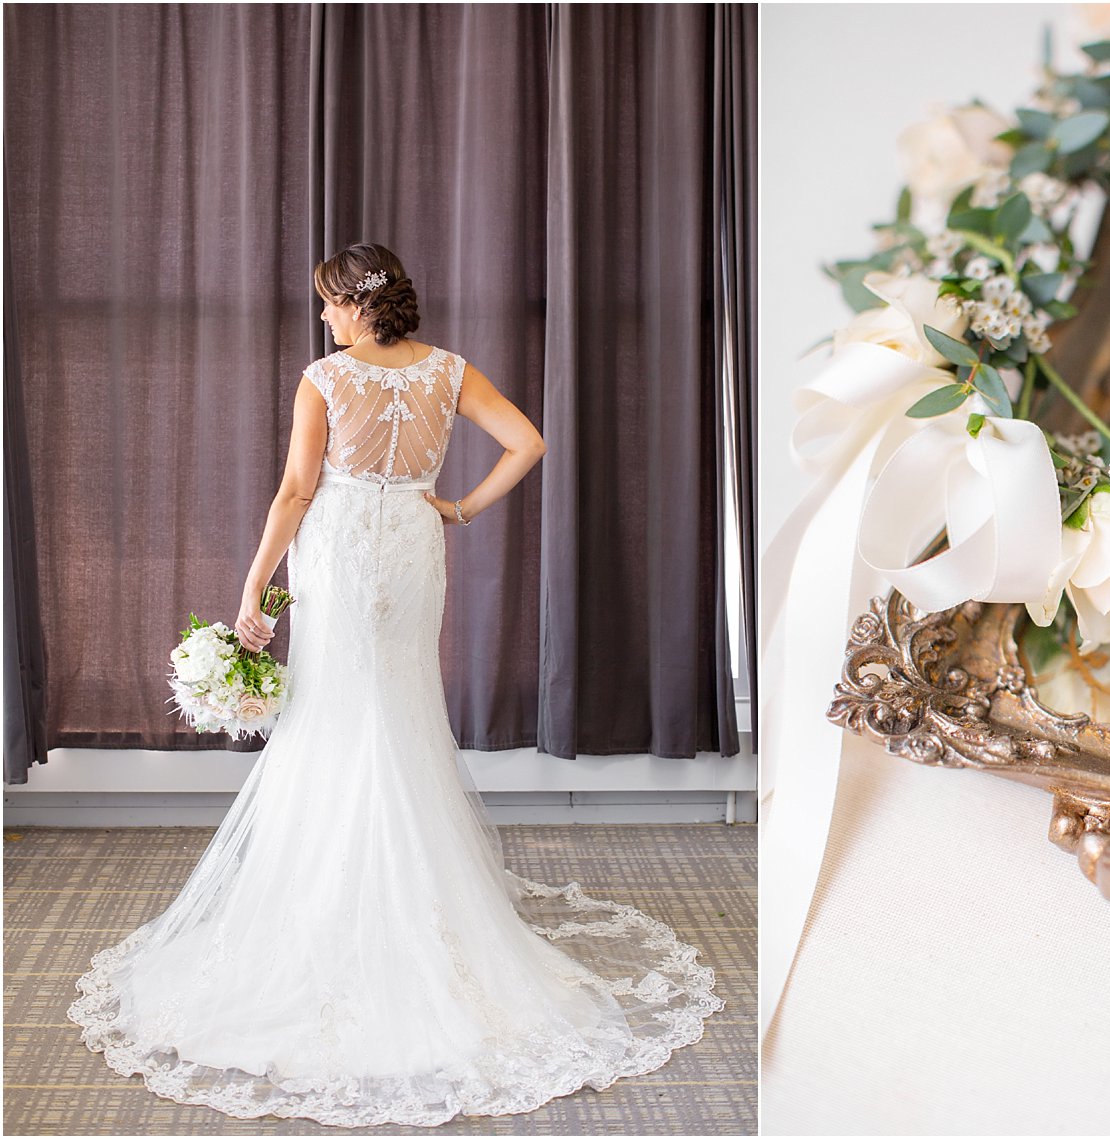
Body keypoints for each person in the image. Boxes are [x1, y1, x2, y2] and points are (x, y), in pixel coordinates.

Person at [67, 243, 722, 1128]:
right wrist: (459, 506)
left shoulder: (326, 378)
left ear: (358, 303)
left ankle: (335, 900)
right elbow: (527, 441)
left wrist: (252, 586)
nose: (325, 319)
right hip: (415, 543)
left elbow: (298, 488)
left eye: (330, 304)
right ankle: (420, 903)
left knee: (336, 716)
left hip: (338, 546)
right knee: (401, 710)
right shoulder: (448, 370)